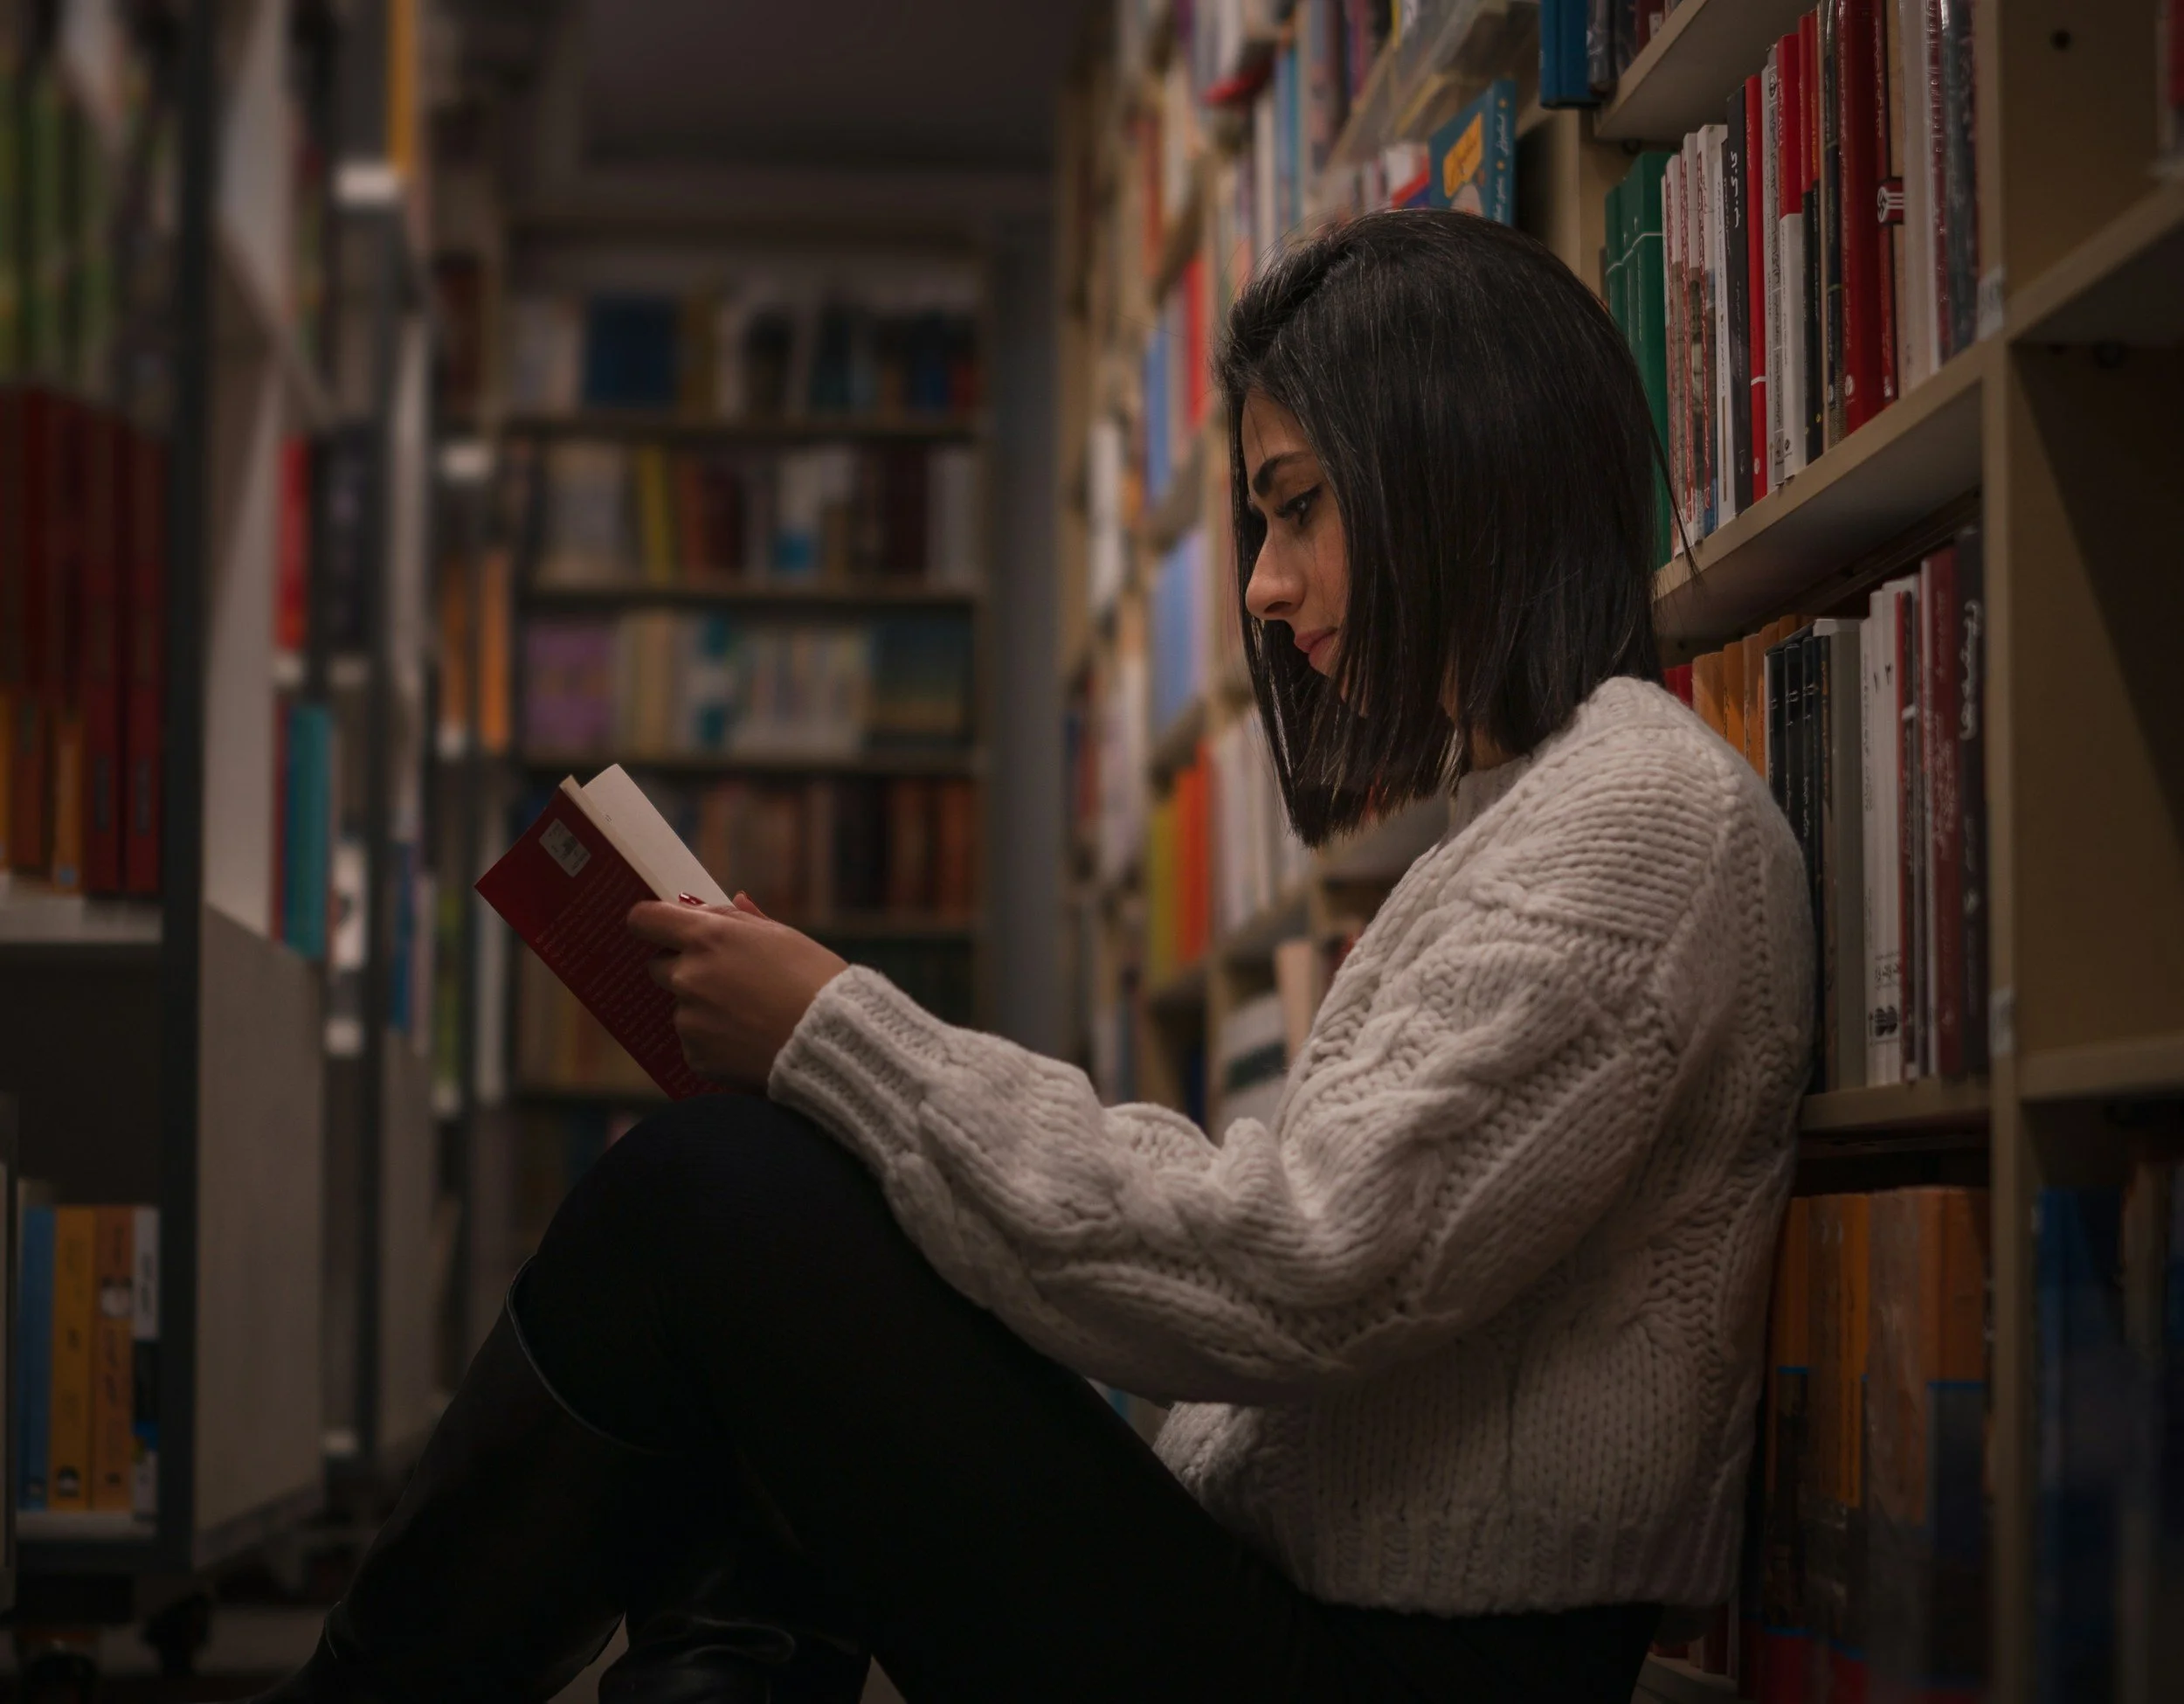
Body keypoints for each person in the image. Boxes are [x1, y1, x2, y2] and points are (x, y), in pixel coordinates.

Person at [254, 210, 1811, 1704]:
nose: (1266, 590)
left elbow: (1308, 1266)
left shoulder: (1635, 819)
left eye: (1299, 505)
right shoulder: (1536, 814)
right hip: (1301, 1612)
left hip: (1375, 1671)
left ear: (1456, 467)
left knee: (717, 1193)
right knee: (772, 1228)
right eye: (1263, 524)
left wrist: (841, 1036)